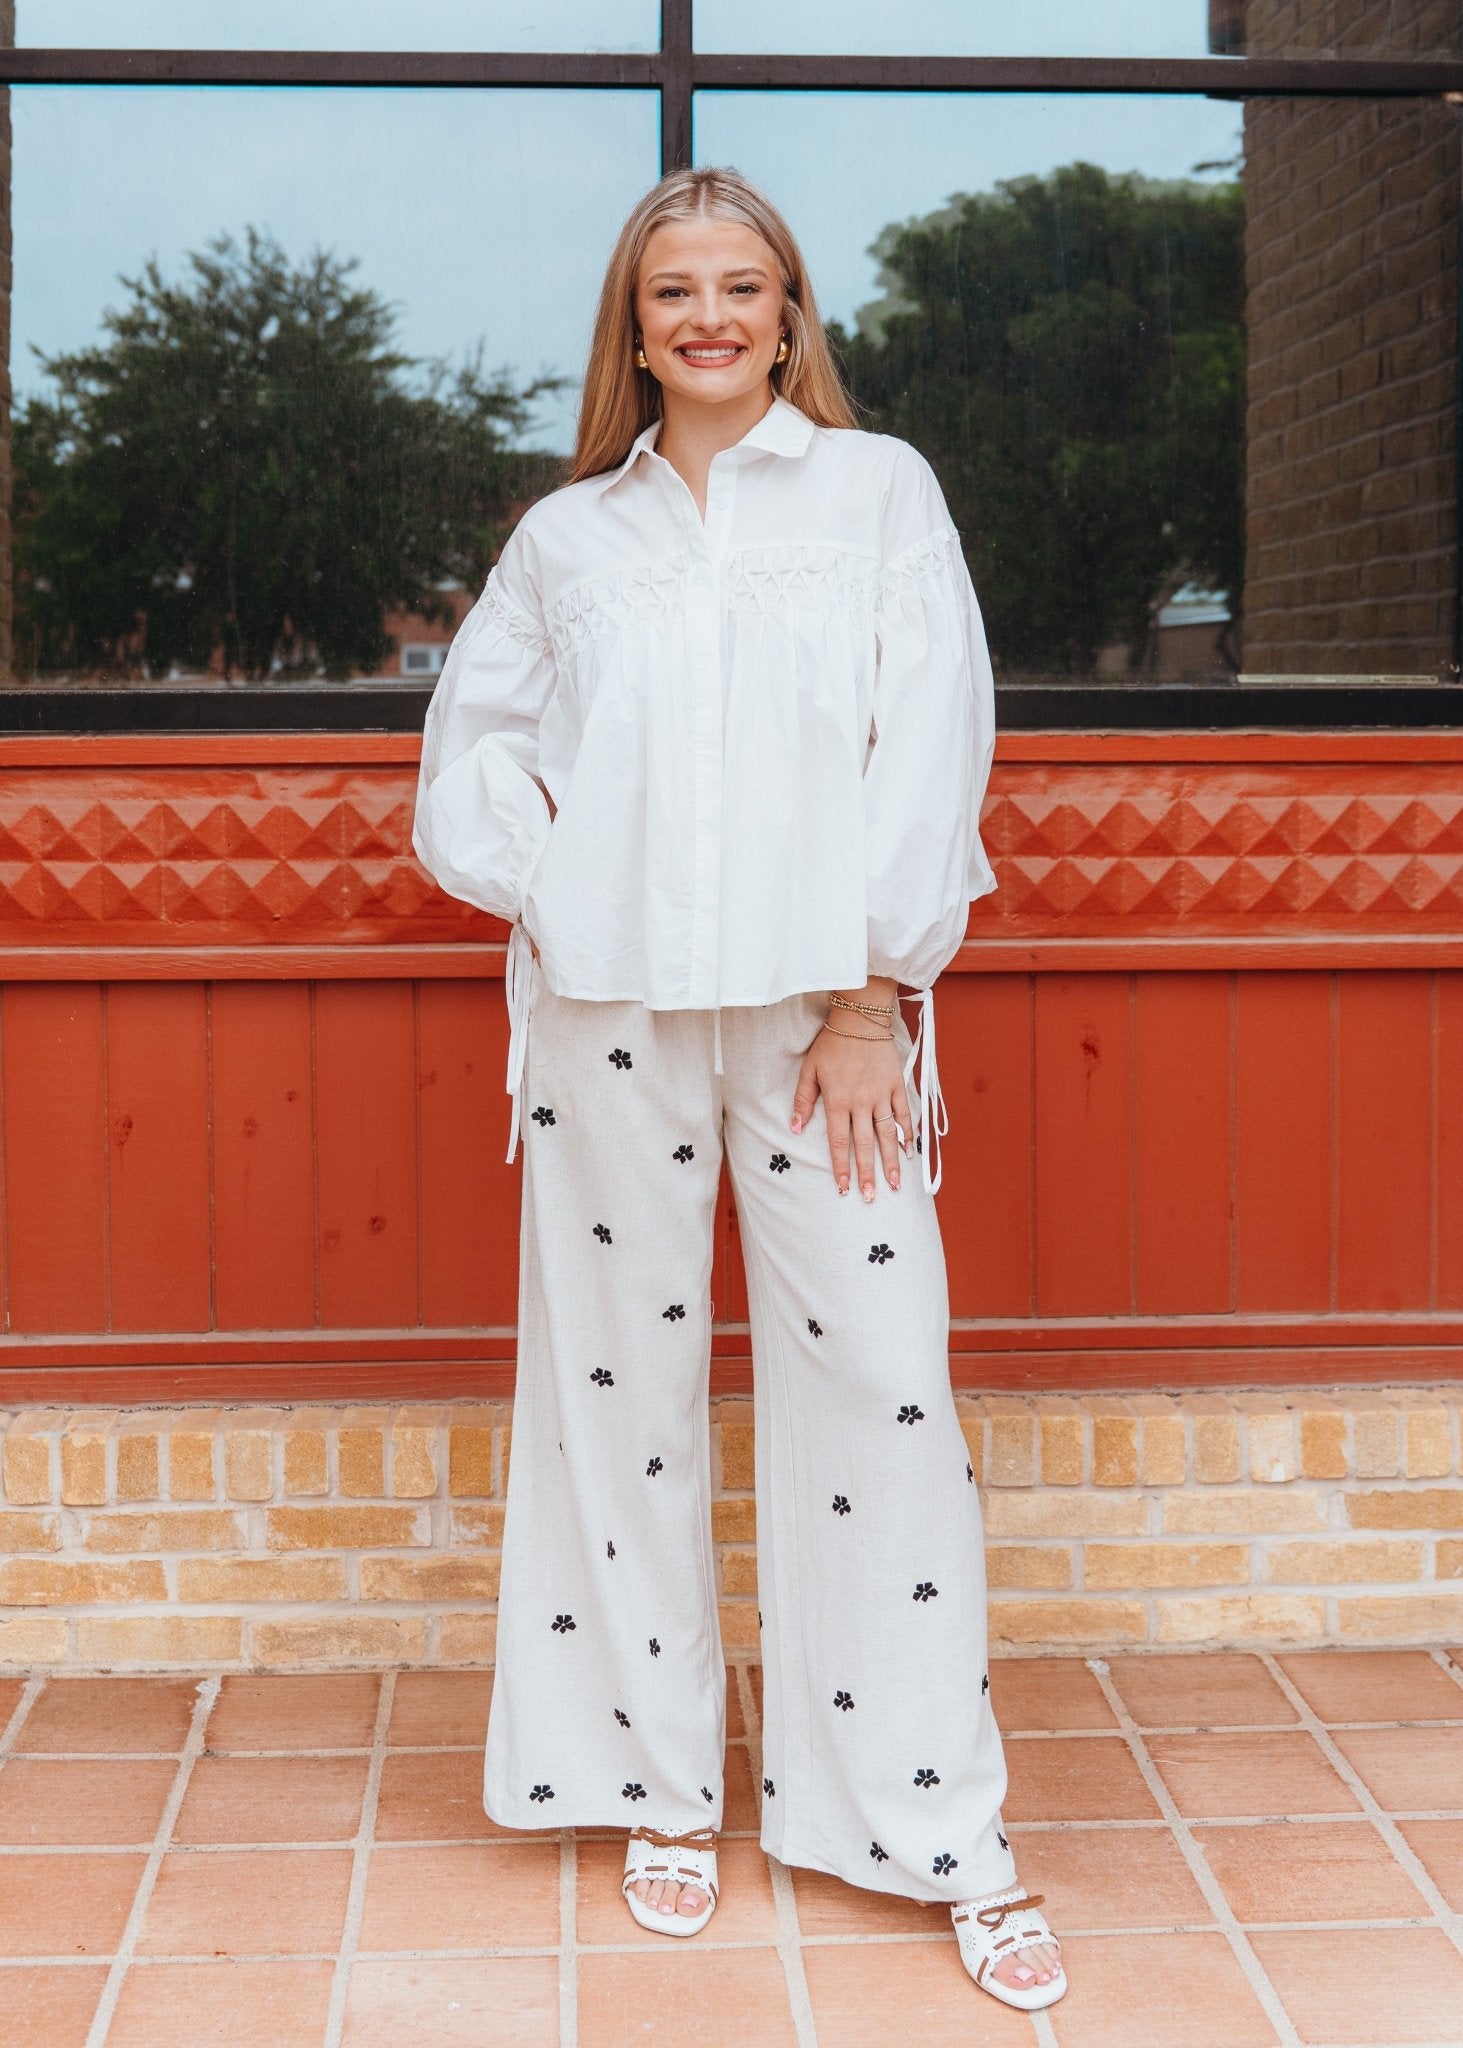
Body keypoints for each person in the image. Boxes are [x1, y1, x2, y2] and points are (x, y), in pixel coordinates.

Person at [411, 164, 1065, 2012]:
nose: (708, 315)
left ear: (790, 313)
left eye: (742, 285)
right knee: (611, 1386)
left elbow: (929, 738)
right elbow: (472, 749)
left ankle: (934, 1820)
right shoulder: (568, 539)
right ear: (634, 325)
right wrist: (561, 879)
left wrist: (874, 995)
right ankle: (657, 1784)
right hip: (607, 1011)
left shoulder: (877, 495)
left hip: (820, 1018)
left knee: (881, 1379)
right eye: (673, 289)